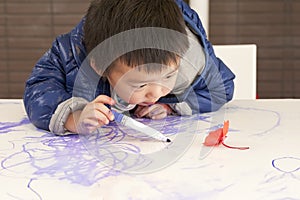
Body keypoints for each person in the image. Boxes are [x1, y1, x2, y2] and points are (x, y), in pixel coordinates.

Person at [24, 0, 235, 135]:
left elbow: (220, 88)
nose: (156, 93)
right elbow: (38, 90)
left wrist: (171, 105)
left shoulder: (189, 57)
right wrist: (74, 117)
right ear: (100, 67)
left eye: (169, 76)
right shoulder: (71, 54)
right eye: (141, 84)